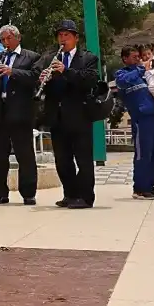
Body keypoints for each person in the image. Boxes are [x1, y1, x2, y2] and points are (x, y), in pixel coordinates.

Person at [37, 20, 99, 209]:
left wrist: (66, 71)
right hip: (57, 117)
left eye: (67, 35)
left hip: (80, 116)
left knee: (84, 160)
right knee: (62, 161)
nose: (63, 39)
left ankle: (86, 197)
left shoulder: (88, 58)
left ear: (76, 38)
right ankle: (70, 194)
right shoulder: (50, 59)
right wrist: (43, 80)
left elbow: (89, 81)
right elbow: (45, 86)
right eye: (60, 35)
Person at [0, 25, 41, 206]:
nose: (6, 43)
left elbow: (35, 77)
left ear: (18, 38)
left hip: (21, 112)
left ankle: (28, 193)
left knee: (25, 155)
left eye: (9, 39)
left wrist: (12, 72)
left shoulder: (31, 57)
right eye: (3, 40)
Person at [115, 45, 154, 200]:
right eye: (135, 57)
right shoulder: (122, 74)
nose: (139, 59)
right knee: (143, 152)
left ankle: (150, 186)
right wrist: (140, 69)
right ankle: (140, 188)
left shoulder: (146, 74)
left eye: (140, 57)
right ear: (125, 58)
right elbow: (122, 82)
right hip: (141, 118)